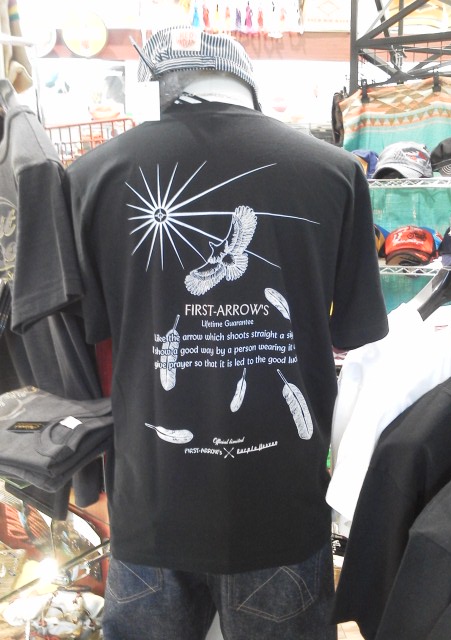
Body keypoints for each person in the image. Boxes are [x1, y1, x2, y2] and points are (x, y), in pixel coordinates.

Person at [51, 26, 387, 639]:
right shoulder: (336, 172)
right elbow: (355, 333)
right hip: (281, 508)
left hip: (152, 505)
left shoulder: (90, 178)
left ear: (158, 83)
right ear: (244, 80)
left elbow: (85, 342)